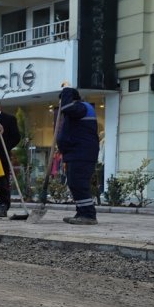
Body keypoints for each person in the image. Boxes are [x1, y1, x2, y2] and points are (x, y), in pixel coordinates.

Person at [56, 86, 101, 225]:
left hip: (81, 154)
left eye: (62, 101)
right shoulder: (76, 111)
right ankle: (81, 212)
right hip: (75, 153)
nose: (60, 105)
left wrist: (66, 91)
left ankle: (88, 215)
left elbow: (67, 107)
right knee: (74, 184)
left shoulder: (81, 107)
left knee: (79, 184)